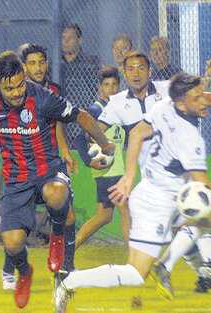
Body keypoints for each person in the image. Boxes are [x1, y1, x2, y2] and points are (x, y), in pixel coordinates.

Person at [53, 73, 211, 312]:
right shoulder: (189, 138)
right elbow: (203, 189)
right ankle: (69, 281)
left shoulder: (166, 104)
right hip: (157, 202)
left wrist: (130, 176)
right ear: (182, 104)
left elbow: (136, 133)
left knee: (207, 218)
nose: (204, 101)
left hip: (164, 189)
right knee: (135, 273)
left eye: (202, 94)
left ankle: (165, 265)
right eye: (197, 98)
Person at [0, 51, 114, 309]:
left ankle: (57, 232)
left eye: (20, 84)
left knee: (57, 194)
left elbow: (82, 117)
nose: (16, 92)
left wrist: (104, 143)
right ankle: (25, 271)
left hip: (48, 170)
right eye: (9, 88)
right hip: (16, 180)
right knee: (12, 244)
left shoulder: (42, 99)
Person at [0, 43, 79, 290]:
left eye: (42, 62)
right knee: (17, 223)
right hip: (21, 166)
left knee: (68, 213)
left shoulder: (53, 90)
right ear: (23, 67)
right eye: (32, 63)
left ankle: (67, 269)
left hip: (49, 164)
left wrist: (65, 151)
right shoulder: (14, 91)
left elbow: (57, 122)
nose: (38, 67)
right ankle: (10, 267)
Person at [74, 66, 130, 249]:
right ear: (100, 87)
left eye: (114, 84)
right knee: (126, 211)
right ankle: (136, 257)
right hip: (109, 169)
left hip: (115, 168)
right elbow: (80, 139)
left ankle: (68, 248)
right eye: (106, 85)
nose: (111, 88)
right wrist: (88, 161)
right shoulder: (96, 110)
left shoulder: (120, 107)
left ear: (119, 86)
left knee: (104, 216)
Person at [61, 23, 102, 148]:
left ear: (79, 41)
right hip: (62, 123)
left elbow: (100, 90)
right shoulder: (55, 64)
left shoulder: (91, 62)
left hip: (84, 120)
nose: (65, 41)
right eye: (63, 38)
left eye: (70, 38)